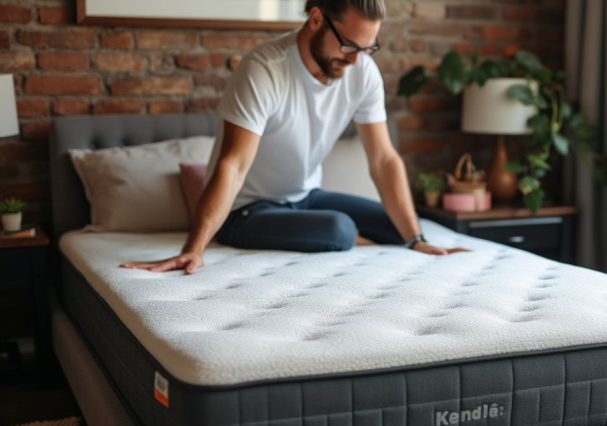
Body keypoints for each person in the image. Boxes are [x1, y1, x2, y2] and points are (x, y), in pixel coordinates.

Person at [121, 0, 466, 275]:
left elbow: (383, 159)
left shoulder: (362, 71)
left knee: (400, 226)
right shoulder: (264, 69)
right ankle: (348, 238)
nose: (356, 59)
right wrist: (193, 249)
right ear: (316, 18)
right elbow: (233, 165)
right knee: (339, 229)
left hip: (306, 197)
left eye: (368, 48)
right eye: (349, 45)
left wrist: (416, 240)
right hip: (247, 211)